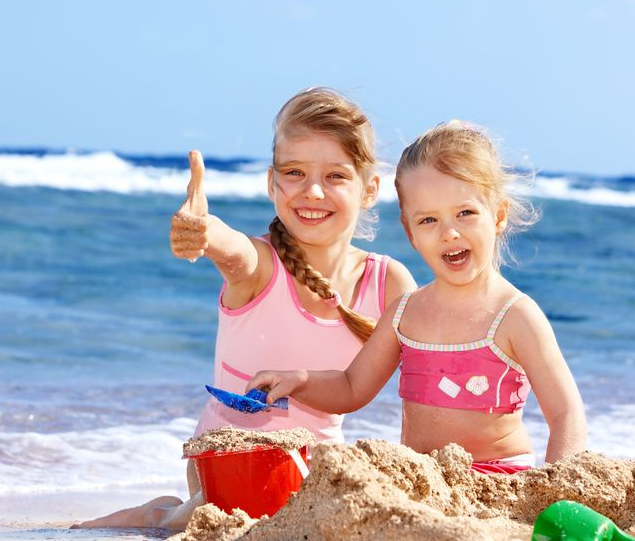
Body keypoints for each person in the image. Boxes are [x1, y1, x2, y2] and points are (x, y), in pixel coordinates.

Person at [72, 87, 415, 529]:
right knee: (241, 515)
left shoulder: (388, 283)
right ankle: (158, 515)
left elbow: (422, 378)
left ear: (369, 190)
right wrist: (204, 232)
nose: (312, 191)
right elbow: (231, 249)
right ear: (271, 183)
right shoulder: (260, 266)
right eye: (294, 172)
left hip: (312, 466)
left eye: (335, 176)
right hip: (225, 456)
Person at [247, 120, 587, 474]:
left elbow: (565, 413)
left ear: (498, 215)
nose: (449, 232)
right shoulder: (406, 312)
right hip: (422, 479)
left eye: (465, 213)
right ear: (409, 231)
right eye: (428, 220)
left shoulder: (515, 315)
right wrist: (301, 380)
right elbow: (351, 388)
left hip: (498, 477)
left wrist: (556, 492)